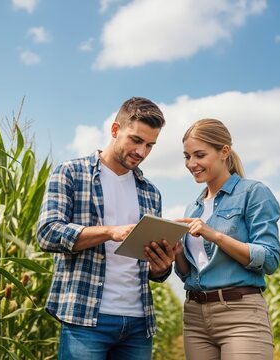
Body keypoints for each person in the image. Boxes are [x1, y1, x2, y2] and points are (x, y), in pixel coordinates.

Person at [36, 97, 178, 360]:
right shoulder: (71, 173)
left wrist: (160, 268)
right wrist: (109, 232)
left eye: (150, 145)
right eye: (136, 140)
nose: (142, 152)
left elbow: (151, 271)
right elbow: (48, 232)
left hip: (138, 322)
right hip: (86, 317)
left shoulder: (151, 193)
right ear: (115, 130)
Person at [174, 118, 280, 360]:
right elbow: (189, 273)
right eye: (187, 156)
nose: (191, 164)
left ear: (224, 152)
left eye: (199, 155)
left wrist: (216, 236)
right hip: (195, 316)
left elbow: (270, 259)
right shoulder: (194, 207)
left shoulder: (253, 193)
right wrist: (177, 253)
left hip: (240, 314)